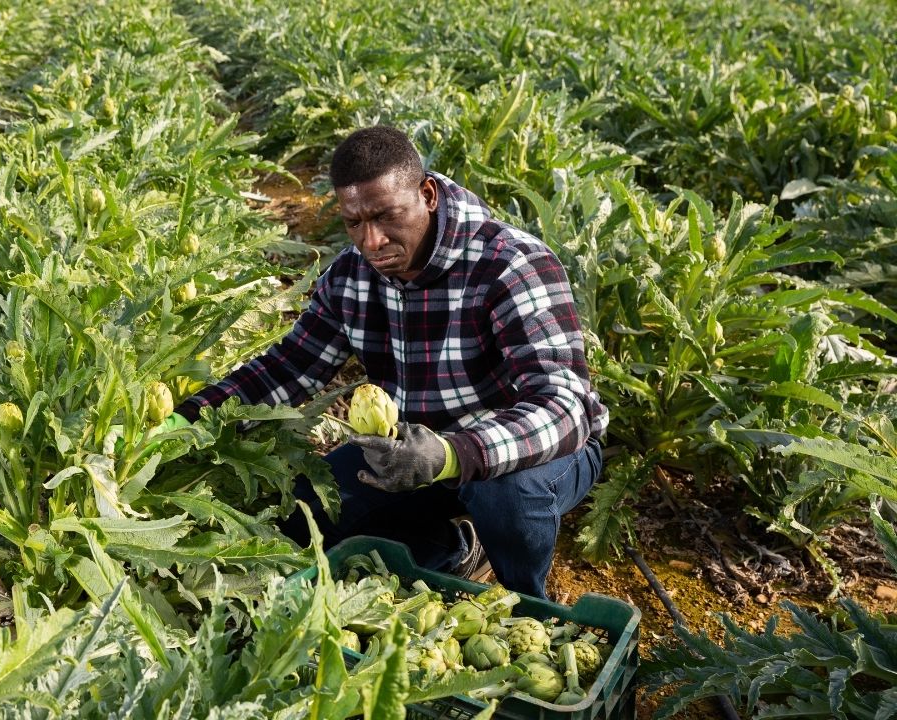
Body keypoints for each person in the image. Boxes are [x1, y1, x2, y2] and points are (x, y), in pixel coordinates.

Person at [168, 126, 607, 599]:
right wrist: (184, 422)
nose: (372, 240)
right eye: (355, 222)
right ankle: (457, 553)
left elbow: (563, 407)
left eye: (385, 216)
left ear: (428, 194)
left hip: (524, 453)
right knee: (305, 514)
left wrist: (455, 454)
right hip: (408, 449)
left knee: (505, 495)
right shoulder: (352, 276)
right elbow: (287, 368)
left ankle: (529, 603)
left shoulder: (510, 264)